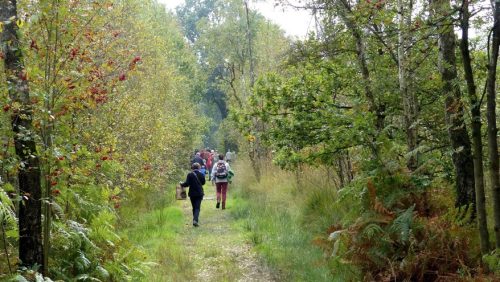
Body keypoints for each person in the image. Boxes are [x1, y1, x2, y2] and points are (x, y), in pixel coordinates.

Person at [180, 162, 206, 227]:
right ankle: (195, 220)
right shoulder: (201, 174)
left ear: (192, 168)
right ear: (199, 167)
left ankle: (195, 220)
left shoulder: (190, 174)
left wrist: (181, 184)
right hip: (199, 193)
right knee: (197, 207)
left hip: (192, 194)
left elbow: (187, 184)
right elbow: (203, 183)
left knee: (194, 207)